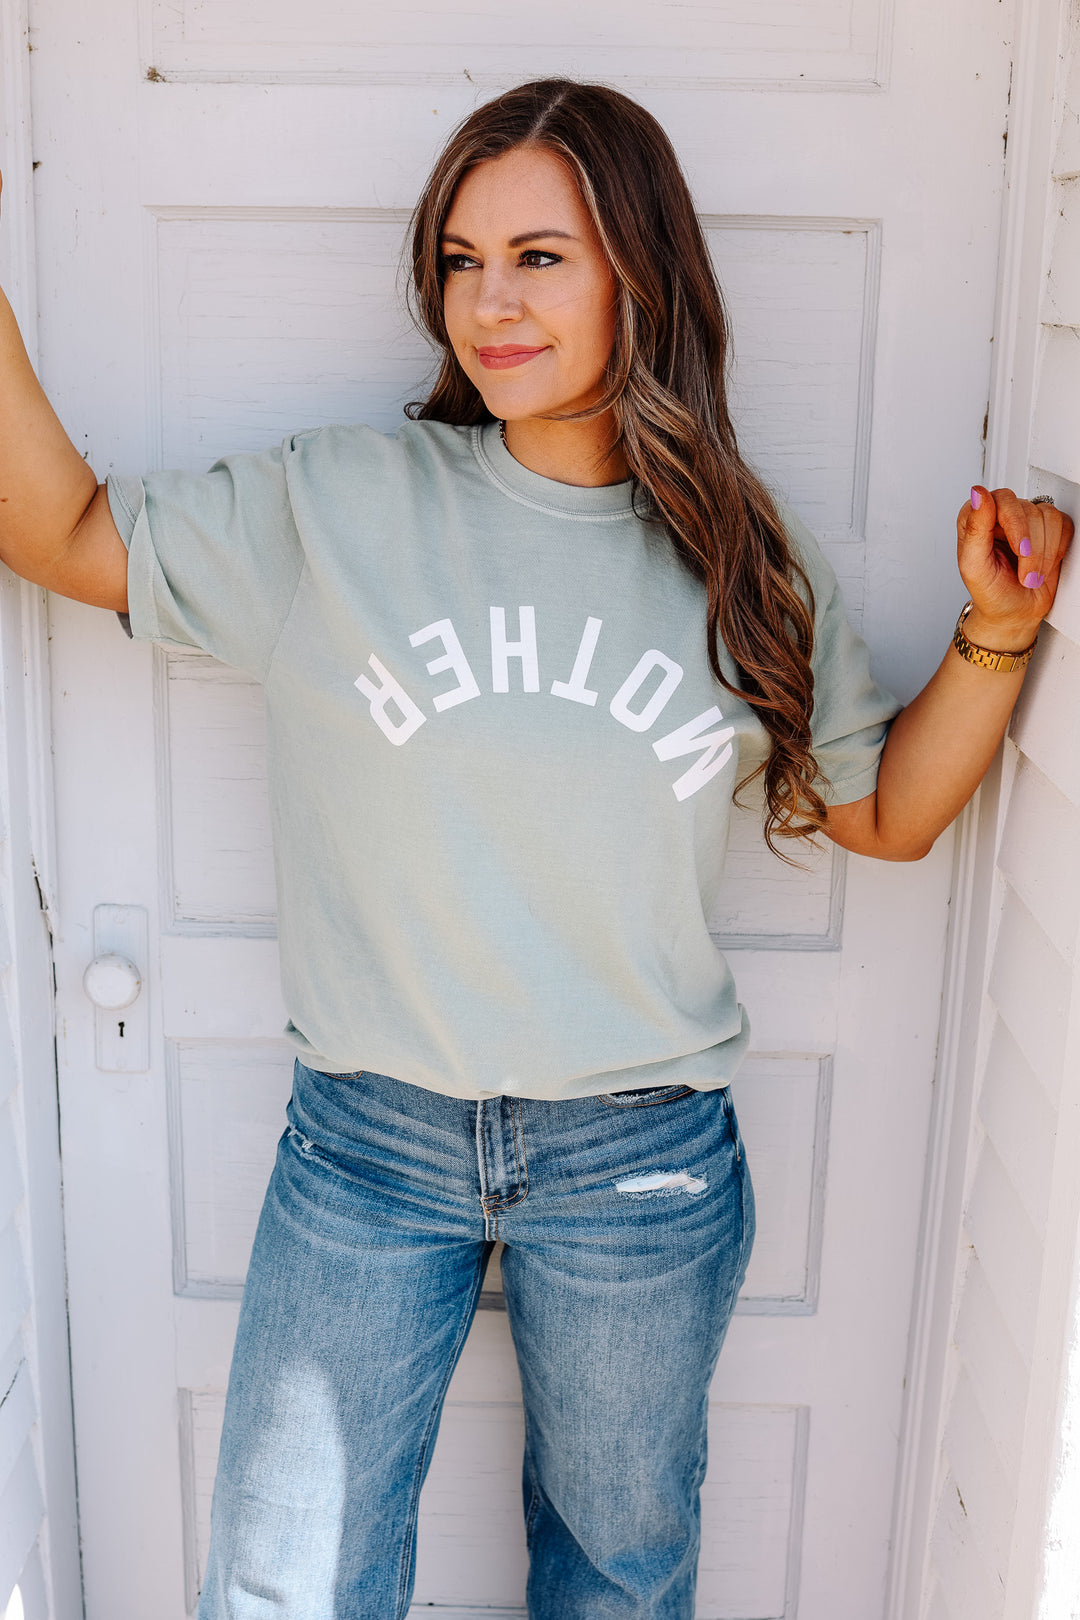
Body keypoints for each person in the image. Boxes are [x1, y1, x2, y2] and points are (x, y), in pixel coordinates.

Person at [0, 76, 1071, 1620]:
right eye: (461, 261)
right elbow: (57, 534)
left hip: (639, 1164)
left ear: (643, 271)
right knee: (282, 1584)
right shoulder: (340, 506)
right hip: (367, 1147)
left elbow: (885, 815)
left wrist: (999, 634)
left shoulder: (741, 561)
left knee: (618, 1585)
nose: (488, 303)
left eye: (540, 258)